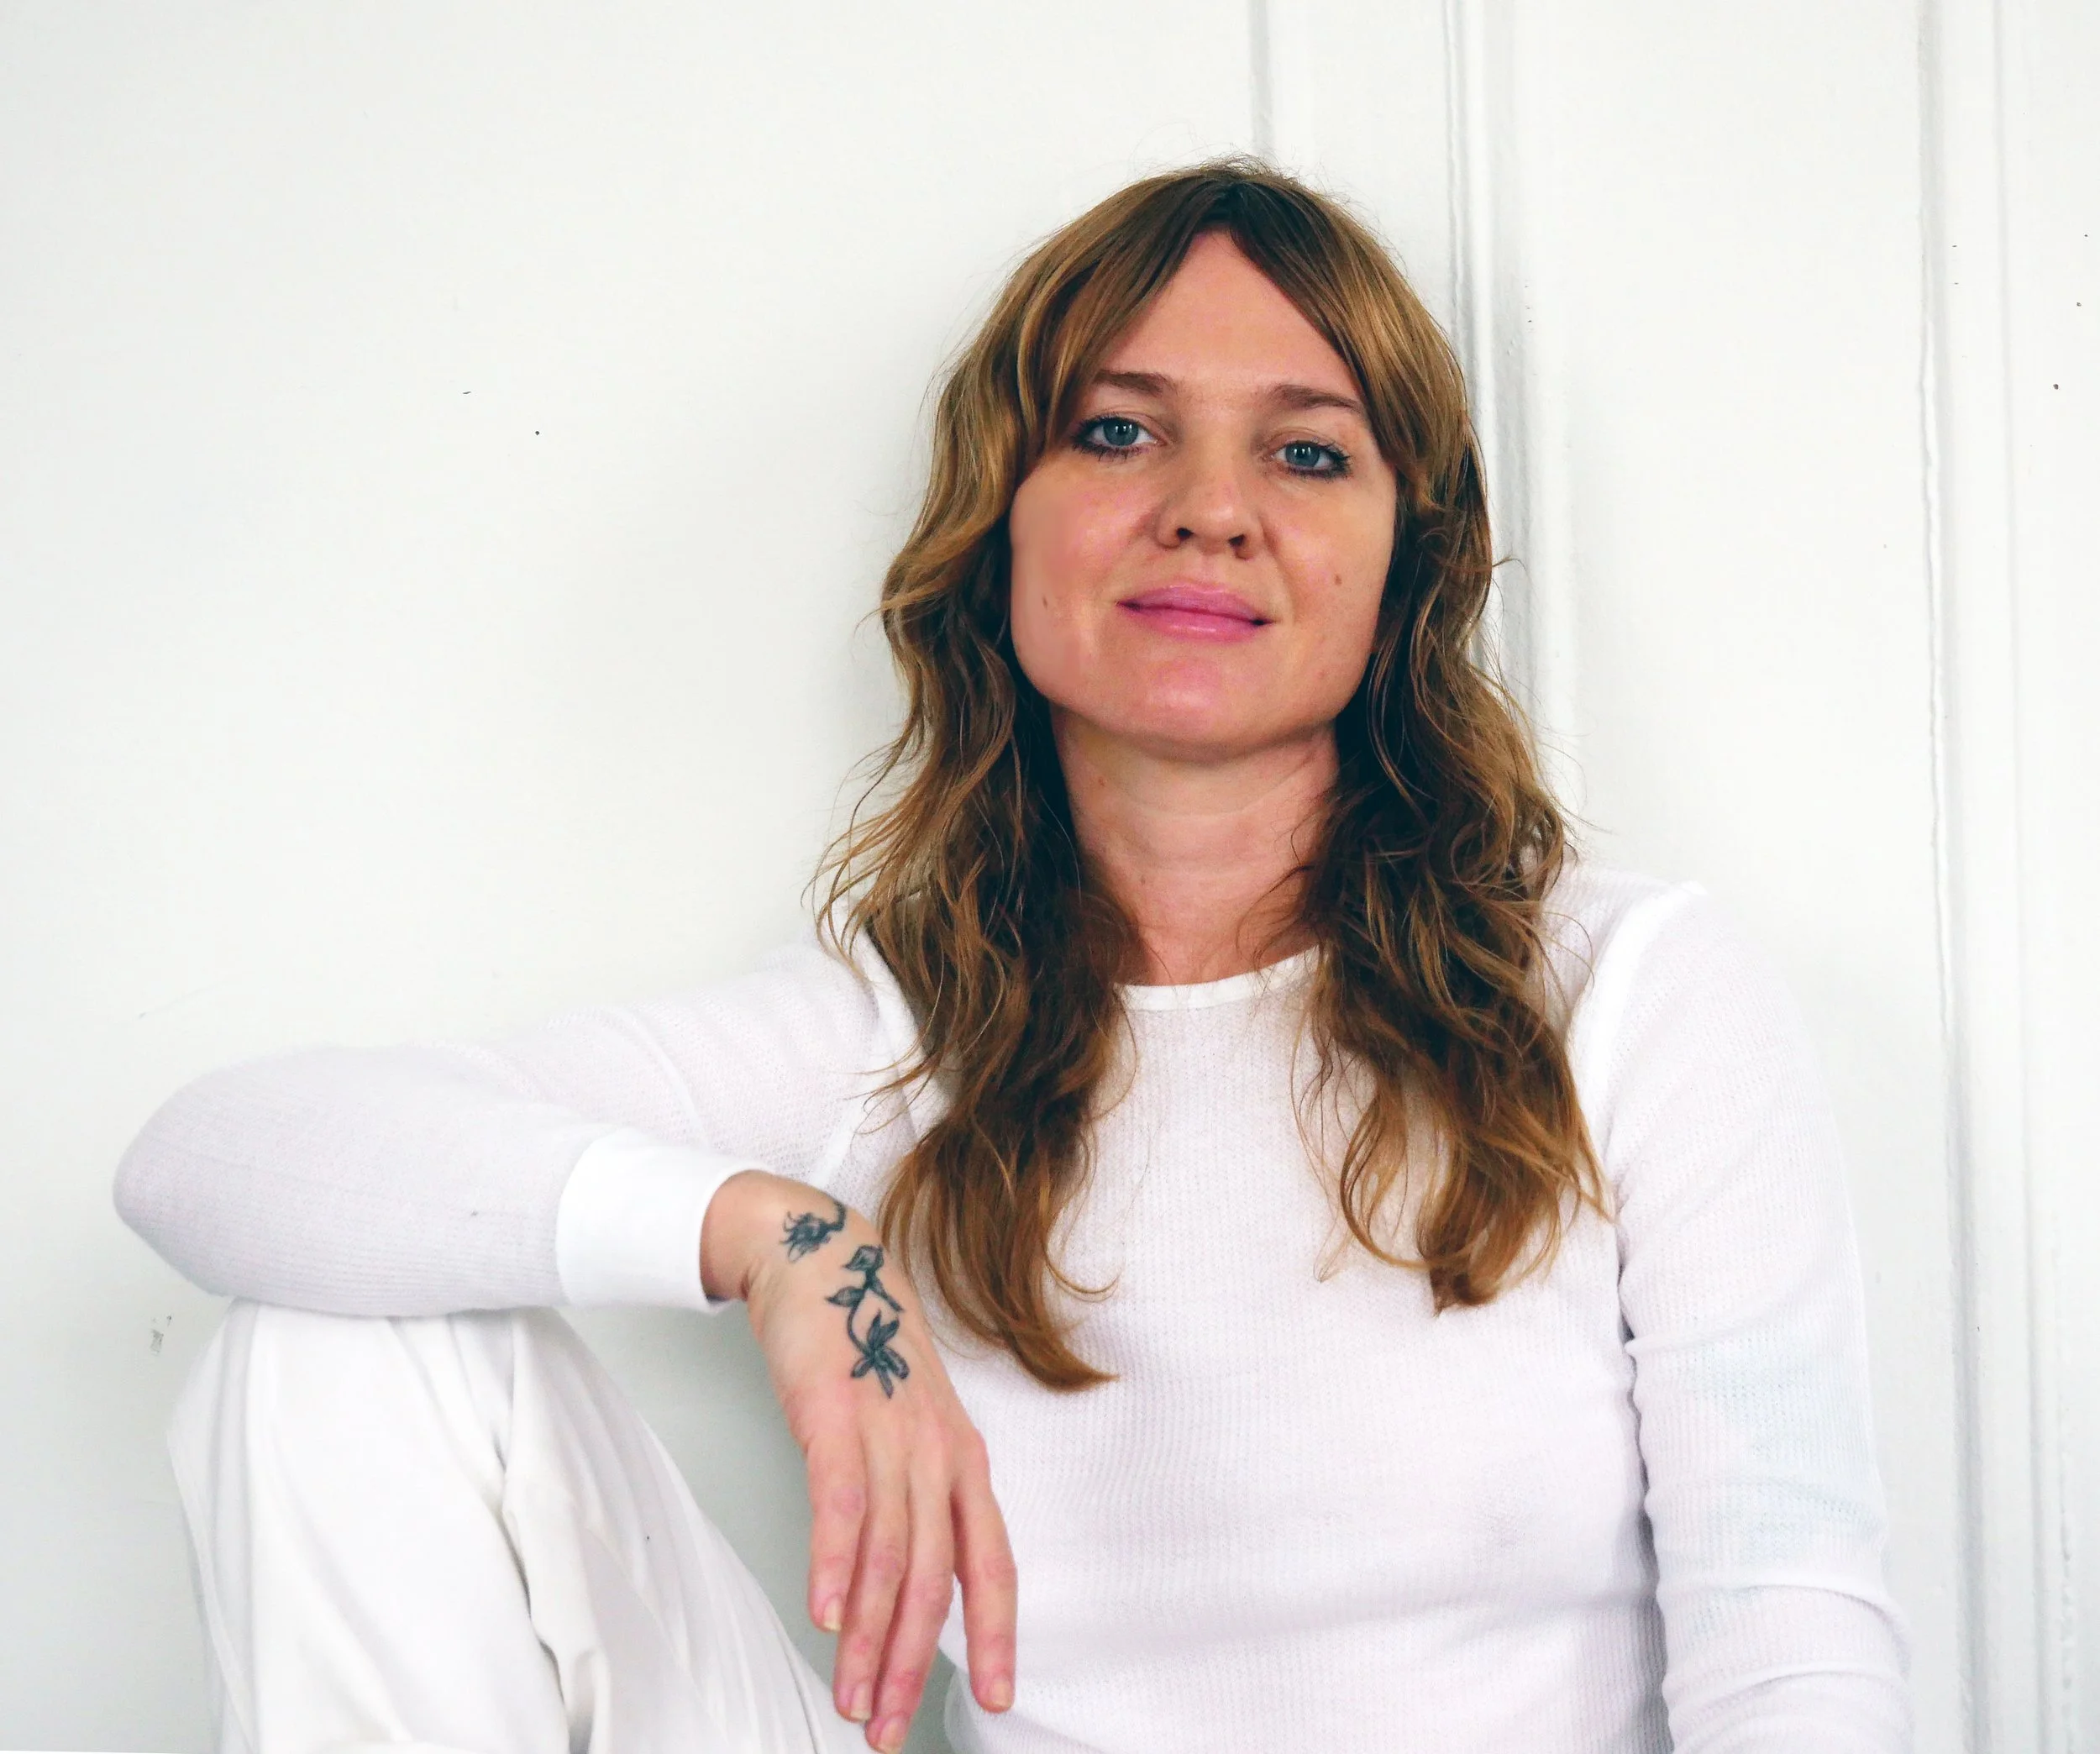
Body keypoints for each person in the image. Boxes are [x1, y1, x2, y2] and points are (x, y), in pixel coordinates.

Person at [115, 160, 1910, 1754]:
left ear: (1404, 573)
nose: (1210, 507)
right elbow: (214, 1160)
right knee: (324, 1349)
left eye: (1306, 451)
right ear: (1000, 527)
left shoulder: (1622, 990)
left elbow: (1789, 1634)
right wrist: (776, 1238)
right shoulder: (891, 1033)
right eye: (1118, 433)